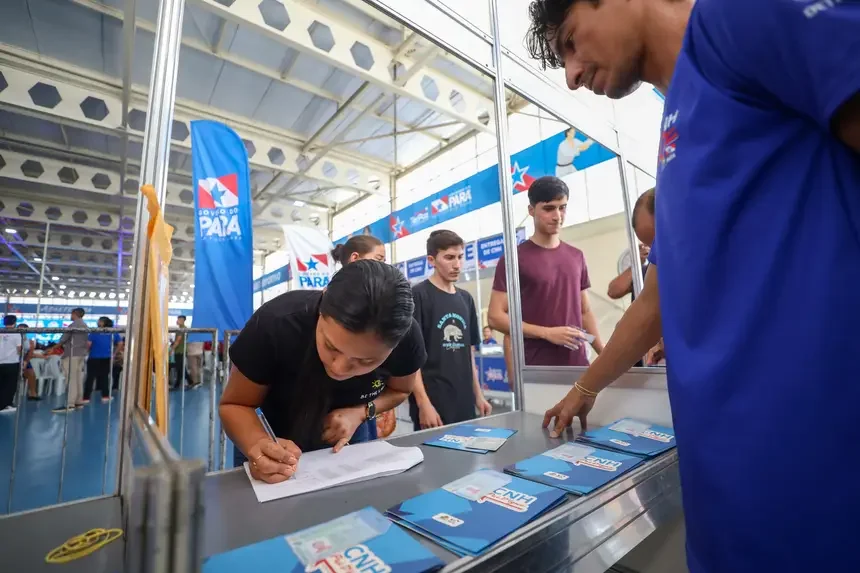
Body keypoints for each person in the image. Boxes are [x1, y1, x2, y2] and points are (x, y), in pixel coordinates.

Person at [525, 1, 860, 572]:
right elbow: (656, 300)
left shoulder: (736, 17)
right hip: (728, 502)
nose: (572, 75)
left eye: (572, 42)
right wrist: (585, 387)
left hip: (821, 484)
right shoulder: (674, 131)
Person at [220, 260, 426, 483]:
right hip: (269, 437)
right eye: (330, 346)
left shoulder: (406, 339)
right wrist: (257, 444)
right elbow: (235, 404)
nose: (338, 368)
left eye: (366, 361)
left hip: (349, 438)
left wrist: (361, 412)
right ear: (321, 306)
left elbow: (400, 391)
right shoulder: (276, 323)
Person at [488, 175, 604, 367]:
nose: (557, 216)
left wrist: (604, 354)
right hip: (535, 367)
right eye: (549, 209)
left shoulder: (576, 256)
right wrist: (546, 333)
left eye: (562, 207)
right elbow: (495, 317)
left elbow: (585, 312)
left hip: (577, 364)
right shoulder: (513, 259)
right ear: (531, 210)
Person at [409, 230, 492, 430]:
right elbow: (411, 358)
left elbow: (469, 353)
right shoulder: (418, 296)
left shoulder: (466, 299)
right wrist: (423, 404)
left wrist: (478, 395)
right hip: (433, 403)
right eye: (449, 257)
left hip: (464, 401)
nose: (457, 264)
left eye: (460, 257)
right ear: (431, 260)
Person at [330, 233, 394, 438]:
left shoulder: (383, 304)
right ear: (355, 258)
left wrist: (382, 400)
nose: (384, 267)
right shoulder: (331, 301)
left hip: (364, 405)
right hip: (332, 406)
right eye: (379, 260)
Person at [49, 308, 88, 413]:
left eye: (71, 313)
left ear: (74, 314)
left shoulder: (73, 325)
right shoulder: (85, 325)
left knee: (71, 379)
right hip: (81, 354)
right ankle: (78, 401)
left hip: (71, 354)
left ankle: (70, 404)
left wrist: (52, 348)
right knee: (78, 378)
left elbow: (63, 340)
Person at [83, 317, 122, 404]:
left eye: (99, 321)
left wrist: (87, 351)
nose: (97, 322)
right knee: (104, 377)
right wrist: (114, 353)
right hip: (106, 358)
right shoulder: (112, 332)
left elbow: (88, 344)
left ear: (103, 322)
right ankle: (105, 396)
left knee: (90, 377)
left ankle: (86, 398)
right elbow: (120, 343)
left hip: (93, 357)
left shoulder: (95, 332)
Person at [0, 315, 23, 413]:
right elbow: (19, 349)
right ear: (15, 322)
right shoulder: (16, 333)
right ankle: (5, 405)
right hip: (12, 362)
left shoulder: (1, 332)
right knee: (10, 385)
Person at [17, 324, 40, 401]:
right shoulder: (13, 339)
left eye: (24, 330)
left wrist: (25, 362)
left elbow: (30, 353)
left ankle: (32, 393)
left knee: (32, 374)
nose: (22, 331)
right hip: (14, 359)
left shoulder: (30, 342)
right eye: (20, 329)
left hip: (24, 359)